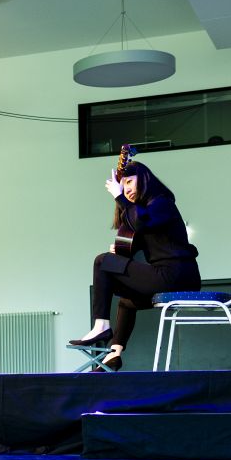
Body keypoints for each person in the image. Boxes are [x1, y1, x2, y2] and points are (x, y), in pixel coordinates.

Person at [70, 157, 200, 372]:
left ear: (144, 178)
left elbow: (140, 223)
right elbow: (137, 239)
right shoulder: (148, 211)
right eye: (123, 186)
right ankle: (114, 355)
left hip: (173, 276)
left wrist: (119, 196)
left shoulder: (162, 202)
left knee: (101, 261)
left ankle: (101, 325)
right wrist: (119, 251)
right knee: (126, 302)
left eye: (129, 182)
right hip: (173, 277)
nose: (126, 189)